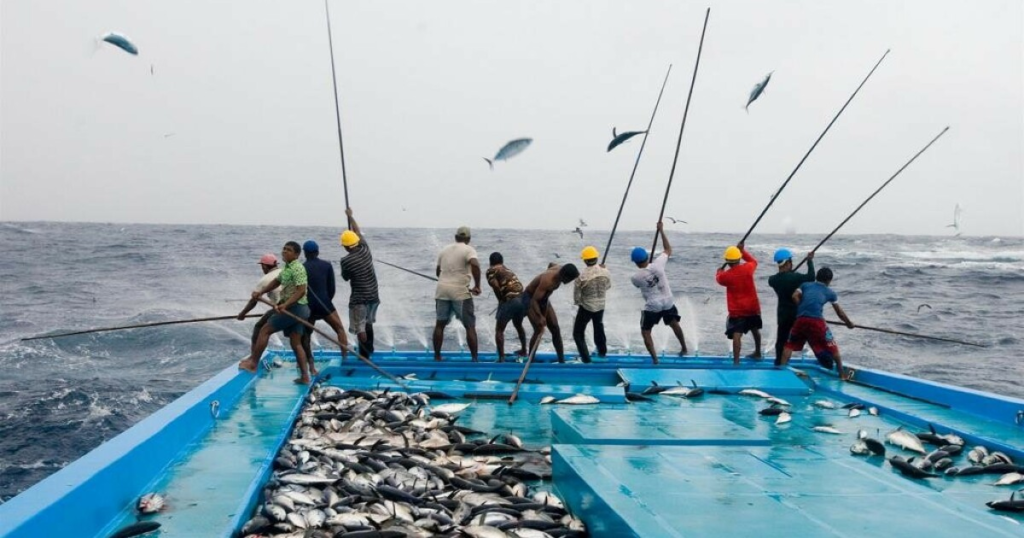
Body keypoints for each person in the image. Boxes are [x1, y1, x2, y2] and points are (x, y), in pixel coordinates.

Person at [239, 241, 314, 384]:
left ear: (297, 254)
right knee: (296, 343)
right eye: (284, 249)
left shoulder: (297, 268)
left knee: (264, 330)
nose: (285, 252)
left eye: (289, 250)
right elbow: (276, 282)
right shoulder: (287, 268)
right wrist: (261, 292)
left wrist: (285, 305)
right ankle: (305, 377)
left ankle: (253, 363)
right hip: (296, 308)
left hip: (296, 308)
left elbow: (301, 291)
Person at [778, 267, 855, 380]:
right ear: (829, 281)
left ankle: (781, 371)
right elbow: (840, 313)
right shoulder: (830, 293)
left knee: (789, 345)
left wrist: (802, 309)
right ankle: (842, 374)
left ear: (816, 277)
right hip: (817, 321)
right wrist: (849, 323)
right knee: (832, 346)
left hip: (800, 319)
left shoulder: (805, 285)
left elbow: (794, 296)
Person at [630, 222, 687, 364]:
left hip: (653, 306)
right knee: (674, 324)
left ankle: (655, 360)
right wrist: (661, 231)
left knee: (646, 331)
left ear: (636, 263)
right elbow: (668, 249)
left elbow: (639, 285)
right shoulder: (658, 264)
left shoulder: (635, 277)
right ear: (647, 257)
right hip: (667, 301)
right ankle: (684, 348)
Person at [433, 226, 482, 361]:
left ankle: (437, 357)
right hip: (460, 293)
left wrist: (446, 278)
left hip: (442, 290)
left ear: (456, 237)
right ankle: (474, 359)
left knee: (440, 325)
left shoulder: (444, 250)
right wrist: (477, 286)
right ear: (468, 239)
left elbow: (438, 272)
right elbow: (476, 265)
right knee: (470, 326)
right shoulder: (469, 250)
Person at [300, 240, 348, 372]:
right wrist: (326, 301)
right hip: (325, 303)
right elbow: (331, 288)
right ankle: (345, 357)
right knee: (339, 329)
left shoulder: (301, 267)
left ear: (304, 253)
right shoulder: (327, 265)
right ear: (317, 252)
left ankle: (311, 366)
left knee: (306, 336)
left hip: (308, 306)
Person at [339, 208, 380, 359]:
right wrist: (350, 217)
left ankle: (365, 353)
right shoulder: (365, 248)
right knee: (369, 323)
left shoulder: (346, 260)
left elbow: (345, 277)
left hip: (359, 299)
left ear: (345, 246)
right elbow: (357, 230)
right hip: (374, 296)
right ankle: (368, 350)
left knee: (360, 328)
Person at [521, 263, 580, 363]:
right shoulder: (548, 281)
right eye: (570, 279)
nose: (569, 282)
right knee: (539, 329)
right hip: (530, 299)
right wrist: (540, 316)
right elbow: (534, 301)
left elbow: (551, 264)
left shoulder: (559, 269)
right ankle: (530, 360)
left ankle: (561, 361)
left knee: (555, 328)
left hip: (543, 299)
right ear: (564, 276)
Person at [716, 243, 762, 365]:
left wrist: (719, 271)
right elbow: (754, 261)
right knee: (754, 329)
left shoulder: (726, 276)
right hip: (752, 307)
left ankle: (736, 362)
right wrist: (743, 251)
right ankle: (758, 352)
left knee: (737, 334)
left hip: (737, 311)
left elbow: (719, 278)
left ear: (727, 261)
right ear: (739, 258)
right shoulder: (748, 269)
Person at [767, 248, 815, 365]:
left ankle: (779, 361)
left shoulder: (773, 280)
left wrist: (789, 273)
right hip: (796, 313)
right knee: (805, 336)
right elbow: (811, 277)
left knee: (781, 340)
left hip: (782, 314)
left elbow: (778, 278)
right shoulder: (796, 278)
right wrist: (810, 261)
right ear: (788, 263)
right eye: (791, 261)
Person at [236, 253, 281, 355]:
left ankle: (254, 357)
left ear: (264, 266)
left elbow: (253, 301)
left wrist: (243, 313)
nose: (262, 268)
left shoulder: (264, 280)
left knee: (259, 327)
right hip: (293, 305)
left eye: (262, 266)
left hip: (280, 308)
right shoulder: (284, 272)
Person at [486, 252, 527, 362]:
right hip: (522, 299)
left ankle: (501, 358)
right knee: (518, 325)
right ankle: (524, 350)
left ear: (490, 262)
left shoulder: (491, 270)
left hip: (510, 300)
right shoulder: (507, 269)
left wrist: (500, 300)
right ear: (502, 261)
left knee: (499, 330)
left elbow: (495, 285)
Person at [572, 246, 611, 363]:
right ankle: (602, 352)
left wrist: (581, 302)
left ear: (585, 260)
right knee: (598, 328)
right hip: (601, 306)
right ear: (596, 258)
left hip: (586, 307)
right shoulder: (606, 272)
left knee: (578, 333)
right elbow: (608, 286)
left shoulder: (581, 277)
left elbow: (577, 298)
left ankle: (586, 359)